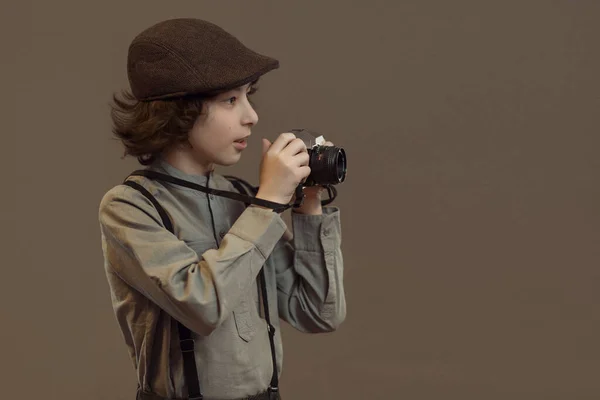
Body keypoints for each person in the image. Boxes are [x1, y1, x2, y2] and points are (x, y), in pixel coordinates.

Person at [98, 18, 346, 400]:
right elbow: (202, 305)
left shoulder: (245, 199)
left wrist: (307, 202)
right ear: (178, 111)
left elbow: (317, 313)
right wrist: (268, 203)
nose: (251, 115)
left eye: (248, 95)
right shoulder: (129, 207)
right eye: (230, 100)